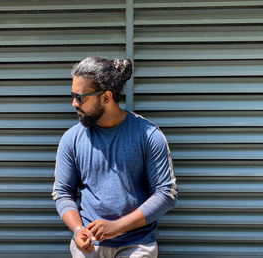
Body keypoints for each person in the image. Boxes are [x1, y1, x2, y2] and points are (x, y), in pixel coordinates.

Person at [52, 56, 177, 258]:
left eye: (80, 97)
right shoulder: (71, 139)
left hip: (137, 245)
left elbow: (166, 194)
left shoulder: (148, 135)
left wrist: (117, 227)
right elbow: (63, 193)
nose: (74, 103)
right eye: (72, 95)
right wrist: (77, 230)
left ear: (106, 97)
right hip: (89, 247)